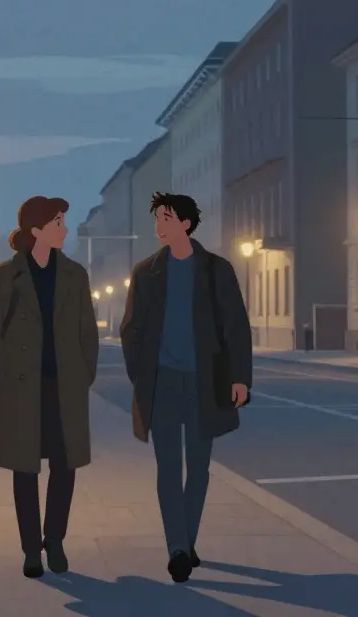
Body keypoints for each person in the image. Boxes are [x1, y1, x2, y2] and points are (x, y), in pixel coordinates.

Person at [120, 192, 252, 584]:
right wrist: (141, 374)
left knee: (198, 467)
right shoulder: (146, 273)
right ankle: (177, 547)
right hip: (162, 382)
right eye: (157, 219)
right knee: (167, 468)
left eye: (166, 218)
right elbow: (132, 330)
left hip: (204, 382)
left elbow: (236, 328)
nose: (159, 226)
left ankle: (186, 540)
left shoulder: (215, 270)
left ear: (186, 224)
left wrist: (240, 377)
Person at [0, 196, 99, 579]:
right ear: (37, 230)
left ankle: (55, 540)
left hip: (64, 389)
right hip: (22, 390)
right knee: (25, 471)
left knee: (65, 466)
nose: (65, 229)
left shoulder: (76, 275)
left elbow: (87, 333)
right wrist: (6, 378)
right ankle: (31, 549)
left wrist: (83, 374)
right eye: (58, 222)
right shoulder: (4, 275)